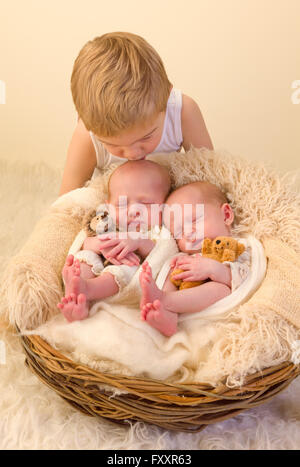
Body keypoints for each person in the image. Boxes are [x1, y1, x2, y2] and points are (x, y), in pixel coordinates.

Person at [59, 32, 213, 196]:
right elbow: (66, 203)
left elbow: (210, 179)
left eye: (146, 137)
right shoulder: (86, 136)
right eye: (114, 145)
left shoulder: (183, 112)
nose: (133, 154)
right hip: (115, 208)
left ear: (167, 98)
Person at [57, 160, 171, 322]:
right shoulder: (105, 222)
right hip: (98, 265)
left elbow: (164, 253)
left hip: (126, 276)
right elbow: (84, 241)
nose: (133, 211)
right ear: (108, 206)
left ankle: (88, 289)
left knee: (126, 269)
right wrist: (99, 245)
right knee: (84, 257)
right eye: (121, 204)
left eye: (146, 203)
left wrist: (138, 242)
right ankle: (77, 297)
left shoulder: (157, 229)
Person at [139, 181, 251, 336]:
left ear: (226, 215)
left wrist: (213, 269)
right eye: (179, 232)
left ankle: (166, 301)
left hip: (218, 309)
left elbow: (246, 278)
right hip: (186, 308)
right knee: (174, 268)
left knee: (221, 289)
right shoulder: (187, 256)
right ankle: (166, 313)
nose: (188, 234)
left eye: (194, 221)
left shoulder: (239, 246)